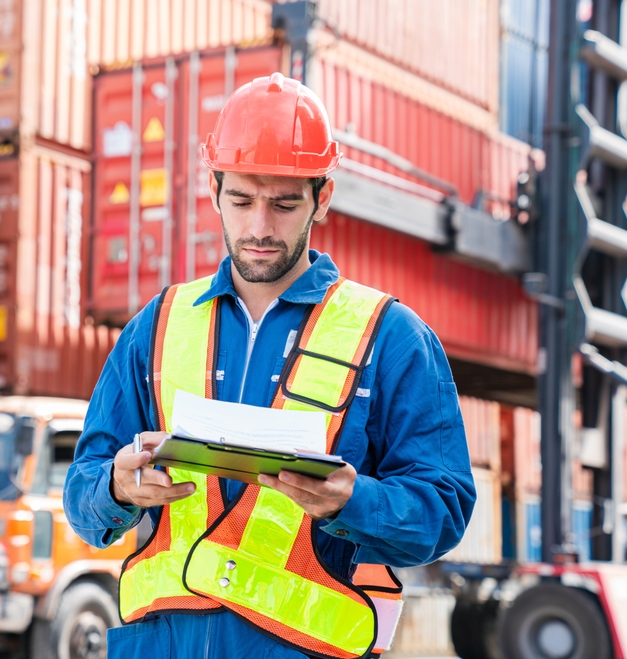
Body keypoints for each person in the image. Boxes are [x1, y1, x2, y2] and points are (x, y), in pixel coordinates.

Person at [63, 72, 475, 659]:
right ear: (214, 190)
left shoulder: (390, 337)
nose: (259, 227)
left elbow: (444, 511)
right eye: (241, 200)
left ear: (322, 198)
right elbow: (82, 492)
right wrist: (115, 486)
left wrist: (351, 504)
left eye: (283, 204)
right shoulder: (157, 326)